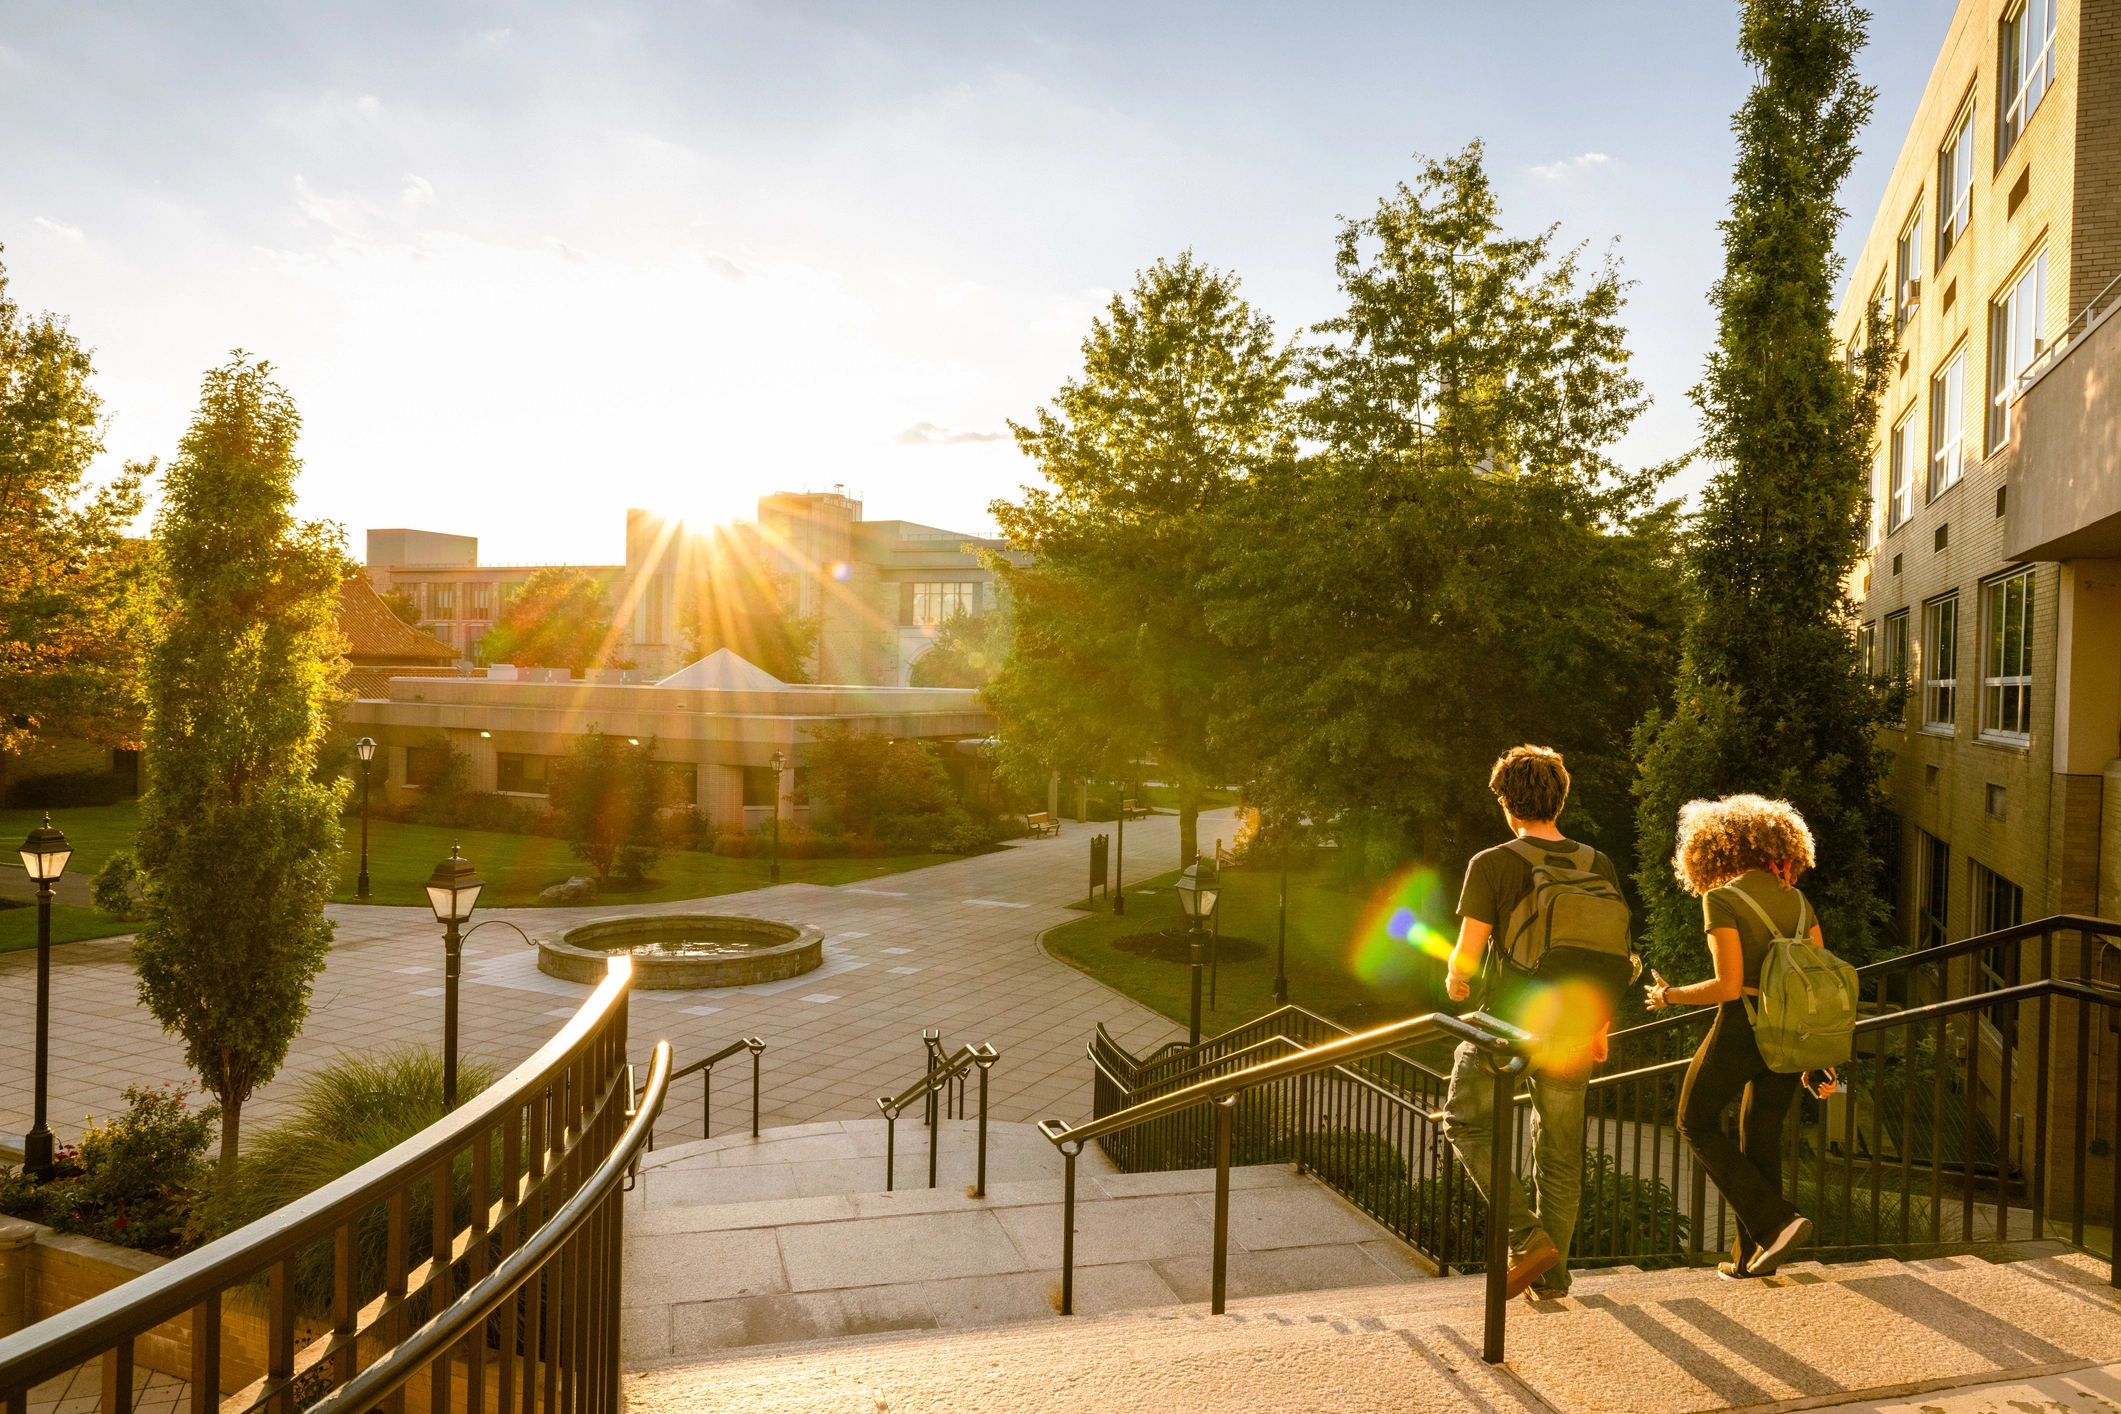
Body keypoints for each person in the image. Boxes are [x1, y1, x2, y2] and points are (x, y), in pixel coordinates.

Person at [1443, 745, 1628, 1302]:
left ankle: (1525, 1237)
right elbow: (1607, 951)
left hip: (1509, 1025)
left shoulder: (1493, 862)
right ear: (1560, 798)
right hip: (1575, 1025)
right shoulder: (1598, 862)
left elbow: (1466, 958)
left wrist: (1456, 982)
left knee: (1463, 1122)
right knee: (1560, 1155)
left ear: (1506, 801)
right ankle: (1552, 1276)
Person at [1648, 794, 1837, 1279]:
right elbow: (1815, 980)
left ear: (1714, 850)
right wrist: (1819, 1057)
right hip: (1793, 1033)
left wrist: (1669, 996)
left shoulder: (1722, 898)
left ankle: (1776, 1221)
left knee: (1694, 1120)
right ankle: (1753, 1256)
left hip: (1744, 1026)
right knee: (1761, 1135)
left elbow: (1727, 986)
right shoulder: (1797, 898)